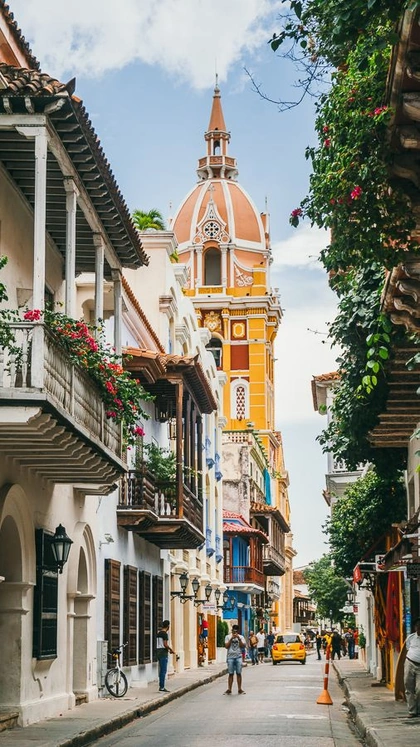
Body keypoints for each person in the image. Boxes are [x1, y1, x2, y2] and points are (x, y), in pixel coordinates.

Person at [404, 617, 420, 718]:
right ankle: (412, 710)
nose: (419, 628)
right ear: (415, 627)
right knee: (408, 686)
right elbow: (407, 648)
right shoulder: (411, 637)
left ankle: (418, 707)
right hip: (409, 662)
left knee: (419, 689)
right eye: (417, 626)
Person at [224, 624, 247, 694]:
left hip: (238, 657)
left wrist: (239, 639)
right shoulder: (228, 637)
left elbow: (243, 646)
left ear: (238, 631)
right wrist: (231, 639)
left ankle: (239, 689)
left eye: (236, 631)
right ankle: (229, 689)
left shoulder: (241, 637)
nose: (235, 633)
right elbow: (226, 646)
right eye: (234, 631)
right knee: (230, 673)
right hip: (230, 657)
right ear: (232, 630)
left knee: (239, 673)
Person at [156, 620, 175, 693]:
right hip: (163, 652)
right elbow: (165, 644)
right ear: (168, 626)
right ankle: (162, 687)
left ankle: (161, 685)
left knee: (160, 670)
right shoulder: (164, 634)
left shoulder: (159, 633)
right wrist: (171, 649)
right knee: (163, 670)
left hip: (158, 651)